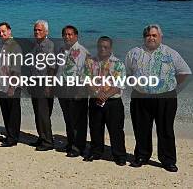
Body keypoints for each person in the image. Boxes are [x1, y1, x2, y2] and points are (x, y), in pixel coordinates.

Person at [126, 24, 191, 172]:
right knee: (141, 128)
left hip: (166, 97)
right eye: (148, 35)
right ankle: (142, 156)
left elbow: (184, 73)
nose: (151, 38)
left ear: (160, 37)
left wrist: (172, 88)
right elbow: (128, 73)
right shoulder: (134, 53)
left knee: (166, 129)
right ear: (144, 37)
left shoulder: (171, 53)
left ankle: (168, 160)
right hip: (140, 97)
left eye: (154, 35)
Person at [83, 36, 127, 165]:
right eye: (100, 46)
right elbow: (86, 80)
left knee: (116, 130)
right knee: (95, 128)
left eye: (105, 47)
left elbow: (119, 85)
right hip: (95, 99)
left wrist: (105, 95)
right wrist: (97, 93)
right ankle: (96, 152)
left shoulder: (118, 63)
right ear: (97, 47)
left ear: (110, 48)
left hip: (113, 101)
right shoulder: (90, 62)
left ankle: (119, 155)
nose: (102, 49)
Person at [56, 25, 90, 157]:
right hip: (62, 87)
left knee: (78, 119)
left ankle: (78, 146)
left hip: (77, 88)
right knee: (68, 117)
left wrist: (81, 90)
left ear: (76, 36)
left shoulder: (82, 51)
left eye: (70, 34)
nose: (67, 37)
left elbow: (86, 73)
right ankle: (70, 142)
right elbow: (59, 69)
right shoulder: (61, 50)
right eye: (65, 34)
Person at [0, 22, 23, 147]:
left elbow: (16, 69)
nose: (2, 34)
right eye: (0, 32)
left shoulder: (14, 46)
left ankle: (13, 138)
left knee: (13, 112)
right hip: (2, 84)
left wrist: (12, 87)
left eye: (4, 31)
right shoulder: (3, 45)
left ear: (9, 31)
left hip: (12, 85)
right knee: (6, 111)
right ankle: (9, 135)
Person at [29, 20, 56, 151]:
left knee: (43, 113)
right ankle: (42, 136)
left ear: (46, 32)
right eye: (35, 30)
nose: (37, 32)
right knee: (38, 112)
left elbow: (51, 67)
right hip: (36, 82)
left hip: (44, 82)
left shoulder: (48, 45)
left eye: (40, 30)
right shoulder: (36, 44)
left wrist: (48, 86)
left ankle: (48, 141)